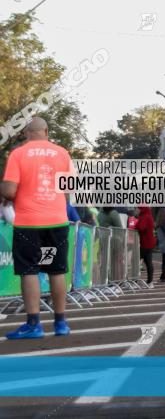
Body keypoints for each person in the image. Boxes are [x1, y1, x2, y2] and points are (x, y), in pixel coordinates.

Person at [1, 117, 76, 339]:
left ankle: (34, 324)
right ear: (46, 131)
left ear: (26, 133)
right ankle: (61, 323)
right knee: (56, 270)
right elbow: (70, 187)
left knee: (29, 270)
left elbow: (9, 191)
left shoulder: (18, 154)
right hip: (56, 220)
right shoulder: (62, 153)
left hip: (28, 223)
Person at [135, 206, 156, 287]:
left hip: (145, 243)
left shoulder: (144, 216)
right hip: (148, 242)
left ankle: (135, 280)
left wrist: (136, 225)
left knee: (136, 262)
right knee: (148, 262)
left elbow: (141, 227)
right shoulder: (148, 215)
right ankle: (150, 281)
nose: (136, 210)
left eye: (138, 208)